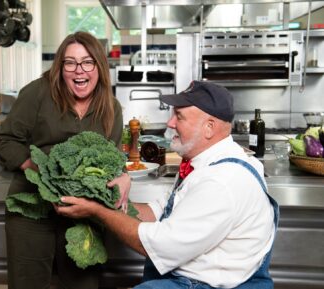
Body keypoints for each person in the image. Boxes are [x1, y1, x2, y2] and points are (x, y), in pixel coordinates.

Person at [56, 81, 279, 289]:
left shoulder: (222, 181)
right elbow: (161, 210)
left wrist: (97, 211)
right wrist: (109, 199)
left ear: (209, 127)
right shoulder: (204, 162)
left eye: (179, 117)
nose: (170, 123)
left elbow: (155, 245)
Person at [0, 31, 130, 289]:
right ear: (61, 67)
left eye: (87, 61)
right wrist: (40, 172)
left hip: (84, 215)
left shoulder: (111, 108)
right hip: (32, 209)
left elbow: (112, 160)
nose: (79, 70)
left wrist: (124, 177)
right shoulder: (37, 93)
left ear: (99, 66)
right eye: (70, 62)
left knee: (84, 284)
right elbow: (5, 141)